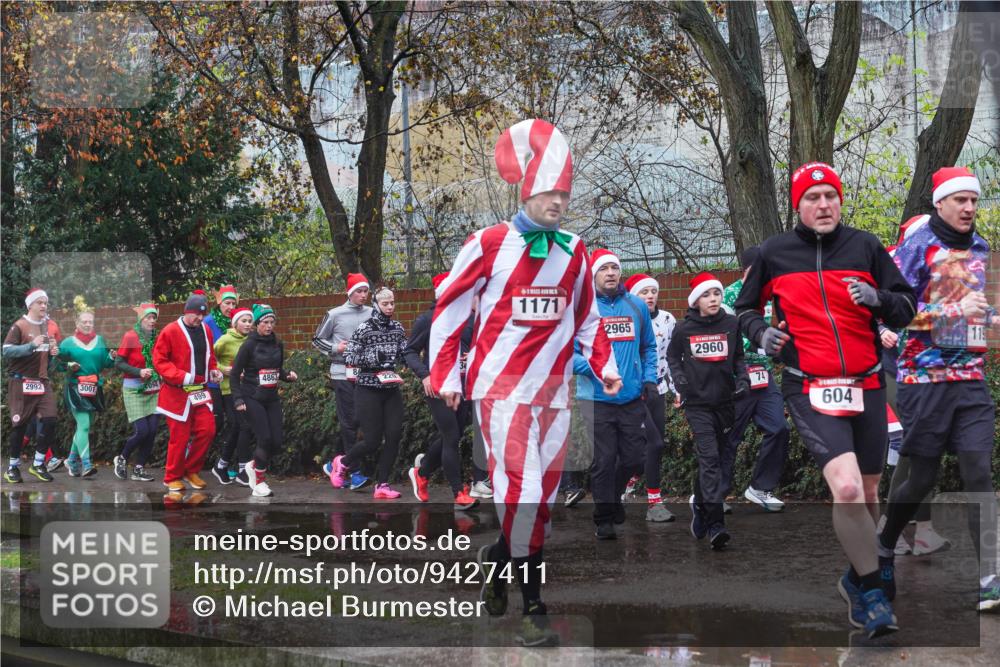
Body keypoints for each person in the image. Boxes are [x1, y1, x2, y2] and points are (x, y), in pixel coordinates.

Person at [429, 119, 620, 646]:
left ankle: (497, 559)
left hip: (556, 395)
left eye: (564, 193)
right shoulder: (488, 243)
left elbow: (585, 318)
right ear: (526, 190)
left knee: (544, 504)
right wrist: (446, 373)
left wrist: (604, 364)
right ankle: (534, 608)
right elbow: (449, 310)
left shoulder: (576, 249)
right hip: (500, 391)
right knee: (527, 494)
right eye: (547, 192)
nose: (557, 201)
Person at [734, 161, 916, 638]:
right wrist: (762, 331)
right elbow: (743, 309)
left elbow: (907, 305)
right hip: (809, 385)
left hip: (868, 382)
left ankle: (857, 576)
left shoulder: (865, 246)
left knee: (871, 490)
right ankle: (872, 593)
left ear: (840, 200)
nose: (823, 205)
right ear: (798, 205)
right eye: (812, 198)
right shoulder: (775, 253)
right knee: (849, 489)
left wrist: (878, 299)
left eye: (830, 196)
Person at [876, 166, 1000, 612]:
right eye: (960, 200)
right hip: (923, 381)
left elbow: (970, 307)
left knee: (979, 475)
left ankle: (991, 578)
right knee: (922, 476)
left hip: (969, 379)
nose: (969, 208)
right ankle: (884, 544)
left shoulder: (981, 247)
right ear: (940, 203)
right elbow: (895, 312)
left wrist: (987, 318)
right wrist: (952, 310)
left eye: (974, 200)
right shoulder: (916, 246)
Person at [576, 250, 657, 539]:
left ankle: (613, 494)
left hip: (632, 397)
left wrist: (649, 379)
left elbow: (649, 346)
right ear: (593, 275)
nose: (610, 273)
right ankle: (604, 519)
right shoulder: (583, 309)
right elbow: (568, 354)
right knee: (604, 459)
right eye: (604, 269)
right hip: (596, 399)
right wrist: (598, 369)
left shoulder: (636, 306)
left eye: (614, 268)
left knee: (635, 458)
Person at [668, 272, 749, 549]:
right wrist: (679, 379)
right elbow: (672, 357)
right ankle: (716, 525)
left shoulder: (731, 324)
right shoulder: (684, 329)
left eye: (716, 293)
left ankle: (701, 505)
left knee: (723, 460)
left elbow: (738, 357)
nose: (713, 299)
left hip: (726, 404)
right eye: (706, 294)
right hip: (698, 405)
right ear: (696, 300)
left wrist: (744, 379)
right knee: (710, 459)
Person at [404, 272, 480, 511]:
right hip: (437, 386)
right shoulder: (428, 320)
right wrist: (424, 374)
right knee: (451, 437)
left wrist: (473, 355)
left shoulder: (468, 319)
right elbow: (409, 352)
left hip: (462, 385)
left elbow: (476, 345)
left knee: (452, 434)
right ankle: (458, 492)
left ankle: (422, 472)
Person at [721, 247, 790, 512]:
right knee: (730, 437)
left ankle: (760, 487)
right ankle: (714, 492)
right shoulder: (728, 294)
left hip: (764, 374)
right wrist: (763, 343)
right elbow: (729, 336)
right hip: (737, 374)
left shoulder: (770, 293)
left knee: (779, 428)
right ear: (746, 271)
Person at [329, 287, 408, 498]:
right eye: (385, 304)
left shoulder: (398, 328)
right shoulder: (364, 328)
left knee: (394, 436)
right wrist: (375, 359)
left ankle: (382, 485)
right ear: (376, 305)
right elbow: (350, 357)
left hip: (390, 388)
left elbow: (404, 353)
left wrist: (413, 361)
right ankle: (342, 462)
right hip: (368, 388)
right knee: (372, 441)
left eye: (392, 303)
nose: (390, 307)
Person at [153, 290, 223, 493]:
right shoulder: (170, 331)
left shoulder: (205, 330)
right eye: (196, 314)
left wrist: (214, 371)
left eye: (203, 315)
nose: (200, 318)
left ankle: (191, 470)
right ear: (187, 311)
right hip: (177, 393)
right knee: (180, 437)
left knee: (208, 430)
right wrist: (181, 376)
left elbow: (209, 355)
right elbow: (160, 360)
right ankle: (172, 476)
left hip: (200, 391)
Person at [624, 272, 677, 522]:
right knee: (651, 445)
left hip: (658, 390)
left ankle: (632, 478)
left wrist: (678, 389)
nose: (649, 296)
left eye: (653, 291)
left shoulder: (668, 319)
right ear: (634, 296)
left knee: (656, 445)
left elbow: (672, 358)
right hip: (634, 394)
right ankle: (654, 501)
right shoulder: (626, 319)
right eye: (643, 292)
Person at [231, 303, 298, 497]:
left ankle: (254, 466)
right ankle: (259, 482)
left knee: (277, 441)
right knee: (265, 438)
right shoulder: (249, 345)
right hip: (251, 396)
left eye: (272, 322)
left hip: (271, 397)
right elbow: (235, 374)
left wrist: (287, 376)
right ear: (256, 324)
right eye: (265, 322)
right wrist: (237, 399)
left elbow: (277, 370)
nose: (269, 326)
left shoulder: (278, 343)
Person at [314, 273, 372, 483]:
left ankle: (336, 463)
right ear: (350, 293)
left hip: (365, 374)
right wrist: (335, 347)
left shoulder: (372, 313)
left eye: (366, 291)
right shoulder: (335, 314)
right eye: (359, 291)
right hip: (341, 373)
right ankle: (354, 472)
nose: (363, 295)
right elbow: (317, 340)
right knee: (349, 422)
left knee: (363, 421)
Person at [3, 288, 63, 483]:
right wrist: (31, 345)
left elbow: (47, 362)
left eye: (46, 303)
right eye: (40, 303)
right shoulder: (19, 325)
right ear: (30, 305)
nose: (44, 306)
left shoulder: (47, 327)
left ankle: (38, 464)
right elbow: (7, 351)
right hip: (21, 381)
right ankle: (12, 467)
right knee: (19, 425)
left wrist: (54, 355)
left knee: (50, 419)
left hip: (42, 382)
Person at [58, 296, 116, 477]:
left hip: (94, 387)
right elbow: (56, 364)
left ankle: (71, 460)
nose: (88, 325)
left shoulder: (100, 341)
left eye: (90, 322)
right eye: (84, 322)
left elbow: (105, 364)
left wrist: (112, 357)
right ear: (77, 323)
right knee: (83, 424)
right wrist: (68, 366)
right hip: (75, 387)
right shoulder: (67, 343)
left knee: (85, 426)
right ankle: (87, 465)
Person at [113, 303, 163, 482]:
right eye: (148, 317)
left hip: (153, 389)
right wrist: (139, 371)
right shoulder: (130, 336)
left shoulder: (156, 338)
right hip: (133, 388)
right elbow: (118, 363)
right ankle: (122, 458)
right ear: (141, 319)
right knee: (142, 431)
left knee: (152, 431)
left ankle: (139, 468)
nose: (152, 321)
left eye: (154, 318)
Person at [210, 305, 256, 486]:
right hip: (229, 390)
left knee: (238, 428)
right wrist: (224, 369)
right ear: (235, 323)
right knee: (243, 426)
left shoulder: (251, 340)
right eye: (243, 321)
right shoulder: (225, 340)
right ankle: (243, 469)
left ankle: (221, 465)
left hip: (247, 389)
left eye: (249, 321)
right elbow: (210, 358)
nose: (247, 324)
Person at [204, 284, 239, 454]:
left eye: (234, 304)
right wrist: (220, 368)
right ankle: (192, 455)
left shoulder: (237, 324)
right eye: (227, 303)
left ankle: (224, 461)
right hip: (214, 382)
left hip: (232, 383)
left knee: (235, 423)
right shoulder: (208, 322)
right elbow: (204, 352)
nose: (231, 307)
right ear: (219, 304)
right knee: (215, 424)